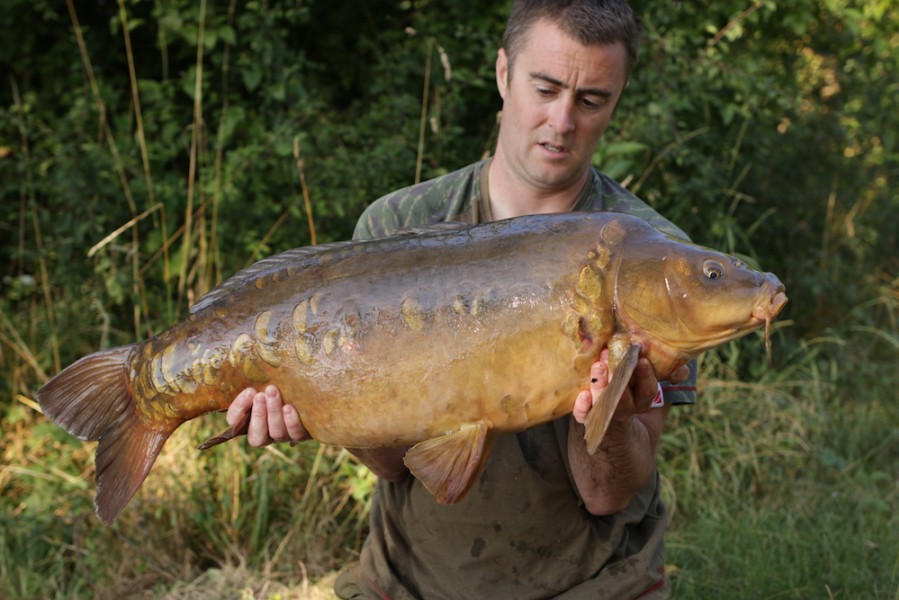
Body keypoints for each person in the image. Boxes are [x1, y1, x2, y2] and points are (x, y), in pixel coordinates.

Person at [227, 1, 696, 597]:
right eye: (544, 88)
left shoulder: (654, 261)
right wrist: (324, 407)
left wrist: (614, 408)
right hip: (411, 578)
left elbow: (605, 494)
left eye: (591, 100)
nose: (561, 120)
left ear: (617, 98)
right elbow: (396, 466)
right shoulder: (400, 224)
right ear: (503, 73)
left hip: (594, 581)